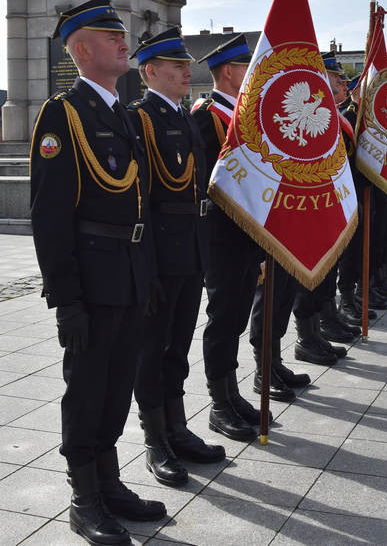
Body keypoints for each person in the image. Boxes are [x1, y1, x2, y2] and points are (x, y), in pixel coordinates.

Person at [30, 0, 164, 545]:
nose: (123, 41)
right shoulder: (62, 115)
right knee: (86, 390)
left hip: (130, 273)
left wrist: (149, 274)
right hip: (92, 278)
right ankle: (84, 497)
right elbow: (50, 215)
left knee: (117, 386)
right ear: (82, 50)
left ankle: (109, 485)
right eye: (111, 37)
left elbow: (141, 201)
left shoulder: (120, 113)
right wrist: (67, 300)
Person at [127, 28, 225, 488]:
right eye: (178, 66)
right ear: (151, 71)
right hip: (163, 252)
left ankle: (177, 427)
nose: (189, 71)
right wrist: (145, 266)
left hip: (191, 247)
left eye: (187, 64)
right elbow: (141, 198)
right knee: (153, 348)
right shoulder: (141, 119)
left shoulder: (184, 116)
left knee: (178, 347)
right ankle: (155, 440)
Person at [190, 34, 264, 443]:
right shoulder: (206, 116)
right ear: (231, 72)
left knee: (236, 315)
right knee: (222, 318)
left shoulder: (243, 115)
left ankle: (233, 393)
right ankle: (219, 403)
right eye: (246, 68)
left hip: (246, 232)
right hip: (219, 235)